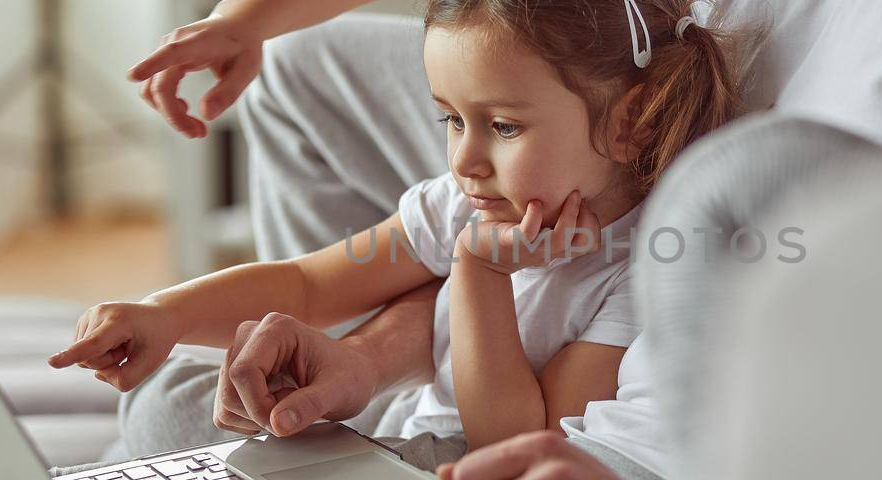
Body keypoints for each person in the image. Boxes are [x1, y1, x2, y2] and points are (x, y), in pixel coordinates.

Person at [118, 0, 882, 478]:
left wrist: (478, 292)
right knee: (187, 393)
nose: (458, 160)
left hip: (659, 276)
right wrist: (250, 21)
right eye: (456, 130)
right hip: (585, 153)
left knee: (192, 417)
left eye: (478, 133)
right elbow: (330, 272)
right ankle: (362, 400)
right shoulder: (524, 153)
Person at [50, 0, 745, 471]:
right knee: (167, 394)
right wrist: (165, 314)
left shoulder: (642, 266)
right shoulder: (468, 199)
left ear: (634, 123)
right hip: (402, 419)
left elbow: (521, 443)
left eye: (503, 126)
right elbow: (309, 284)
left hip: (449, 461)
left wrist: (479, 272)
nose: (464, 161)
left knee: (182, 432)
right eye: (451, 119)